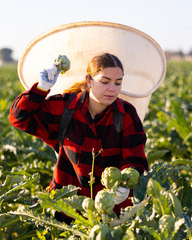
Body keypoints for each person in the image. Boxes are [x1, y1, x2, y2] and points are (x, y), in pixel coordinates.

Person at [9, 53, 148, 220]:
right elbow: (19, 117)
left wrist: (126, 183)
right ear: (89, 80)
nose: (112, 88)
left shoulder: (126, 114)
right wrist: (41, 88)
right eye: (105, 82)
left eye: (118, 83)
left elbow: (136, 157)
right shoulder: (65, 108)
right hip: (65, 208)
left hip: (110, 211)